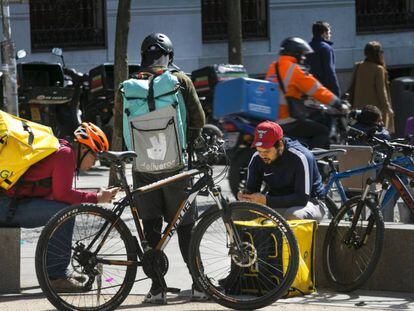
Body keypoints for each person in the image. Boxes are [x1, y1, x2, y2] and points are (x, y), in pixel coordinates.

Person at [0, 122, 119, 292]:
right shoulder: (65, 154)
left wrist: (94, 195)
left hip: (9, 204)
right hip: (6, 207)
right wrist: (98, 198)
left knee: (61, 209)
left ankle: (57, 272)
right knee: (64, 213)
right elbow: (63, 195)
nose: (94, 163)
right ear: (83, 149)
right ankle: (56, 276)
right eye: (94, 156)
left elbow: (56, 192)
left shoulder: (61, 150)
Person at [134, 33, 206, 304]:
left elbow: (119, 125)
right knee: (186, 227)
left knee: (151, 227)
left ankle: (157, 289)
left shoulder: (131, 84)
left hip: (142, 166)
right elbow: (198, 119)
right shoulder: (181, 81)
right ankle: (199, 285)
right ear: (170, 57)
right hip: (176, 165)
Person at [237, 121, 326, 222]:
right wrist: (245, 195)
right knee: (238, 213)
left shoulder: (300, 157)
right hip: (275, 203)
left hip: (310, 202)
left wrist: (266, 200)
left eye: (267, 151)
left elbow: (301, 198)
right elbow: (253, 189)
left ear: (280, 145)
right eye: (259, 150)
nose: (262, 155)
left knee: (294, 216)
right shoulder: (257, 158)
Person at [266, 36, 342, 149]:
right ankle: (310, 161)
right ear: (295, 53)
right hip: (286, 120)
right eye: (302, 54)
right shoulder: (294, 69)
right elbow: (316, 89)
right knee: (322, 131)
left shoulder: (273, 67)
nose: (303, 58)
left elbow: (287, 89)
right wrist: (337, 102)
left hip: (272, 117)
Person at [348, 41, 394, 133]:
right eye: (381, 52)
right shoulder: (378, 69)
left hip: (360, 110)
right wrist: (388, 109)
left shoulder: (358, 66)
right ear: (377, 54)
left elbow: (351, 86)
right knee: (378, 136)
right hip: (375, 112)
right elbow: (382, 92)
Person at [306, 21, 341, 96]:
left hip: (309, 89)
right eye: (329, 32)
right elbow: (330, 72)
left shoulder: (307, 47)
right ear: (324, 33)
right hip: (323, 91)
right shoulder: (326, 48)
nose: (330, 35)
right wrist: (336, 93)